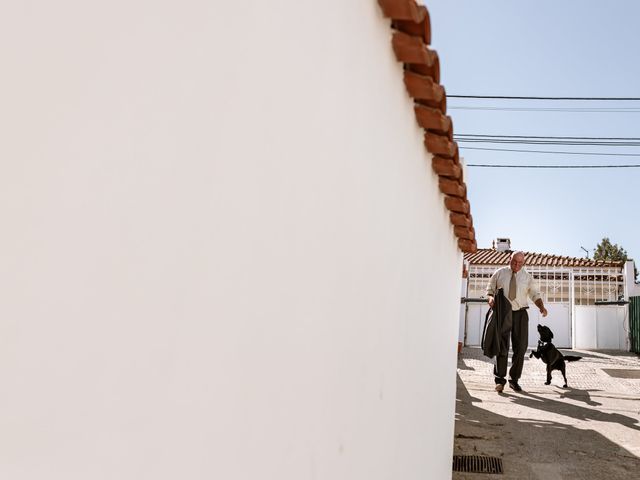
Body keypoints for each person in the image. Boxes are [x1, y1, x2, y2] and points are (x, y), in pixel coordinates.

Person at [486, 251, 547, 392]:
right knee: (502, 346)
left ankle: (514, 380)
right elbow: (490, 289)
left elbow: (535, 294)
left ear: (523, 263)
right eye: (514, 261)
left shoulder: (527, 277)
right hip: (503, 313)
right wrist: (490, 298)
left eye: (520, 263)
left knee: (521, 348)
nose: (517, 265)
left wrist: (541, 307)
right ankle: (500, 380)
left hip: (520, 314)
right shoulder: (499, 273)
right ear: (510, 259)